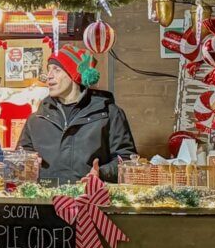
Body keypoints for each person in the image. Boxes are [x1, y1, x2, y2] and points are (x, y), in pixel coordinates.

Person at [17, 44, 136, 183]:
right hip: (45, 201)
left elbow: (127, 160)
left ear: (74, 75)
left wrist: (101, 173)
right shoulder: (36, 119)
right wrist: (26, 164)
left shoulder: (109, 113)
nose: (48, 76)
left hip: (90, 200)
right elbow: (19, 158)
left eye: (56, 70)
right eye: (48, 70)